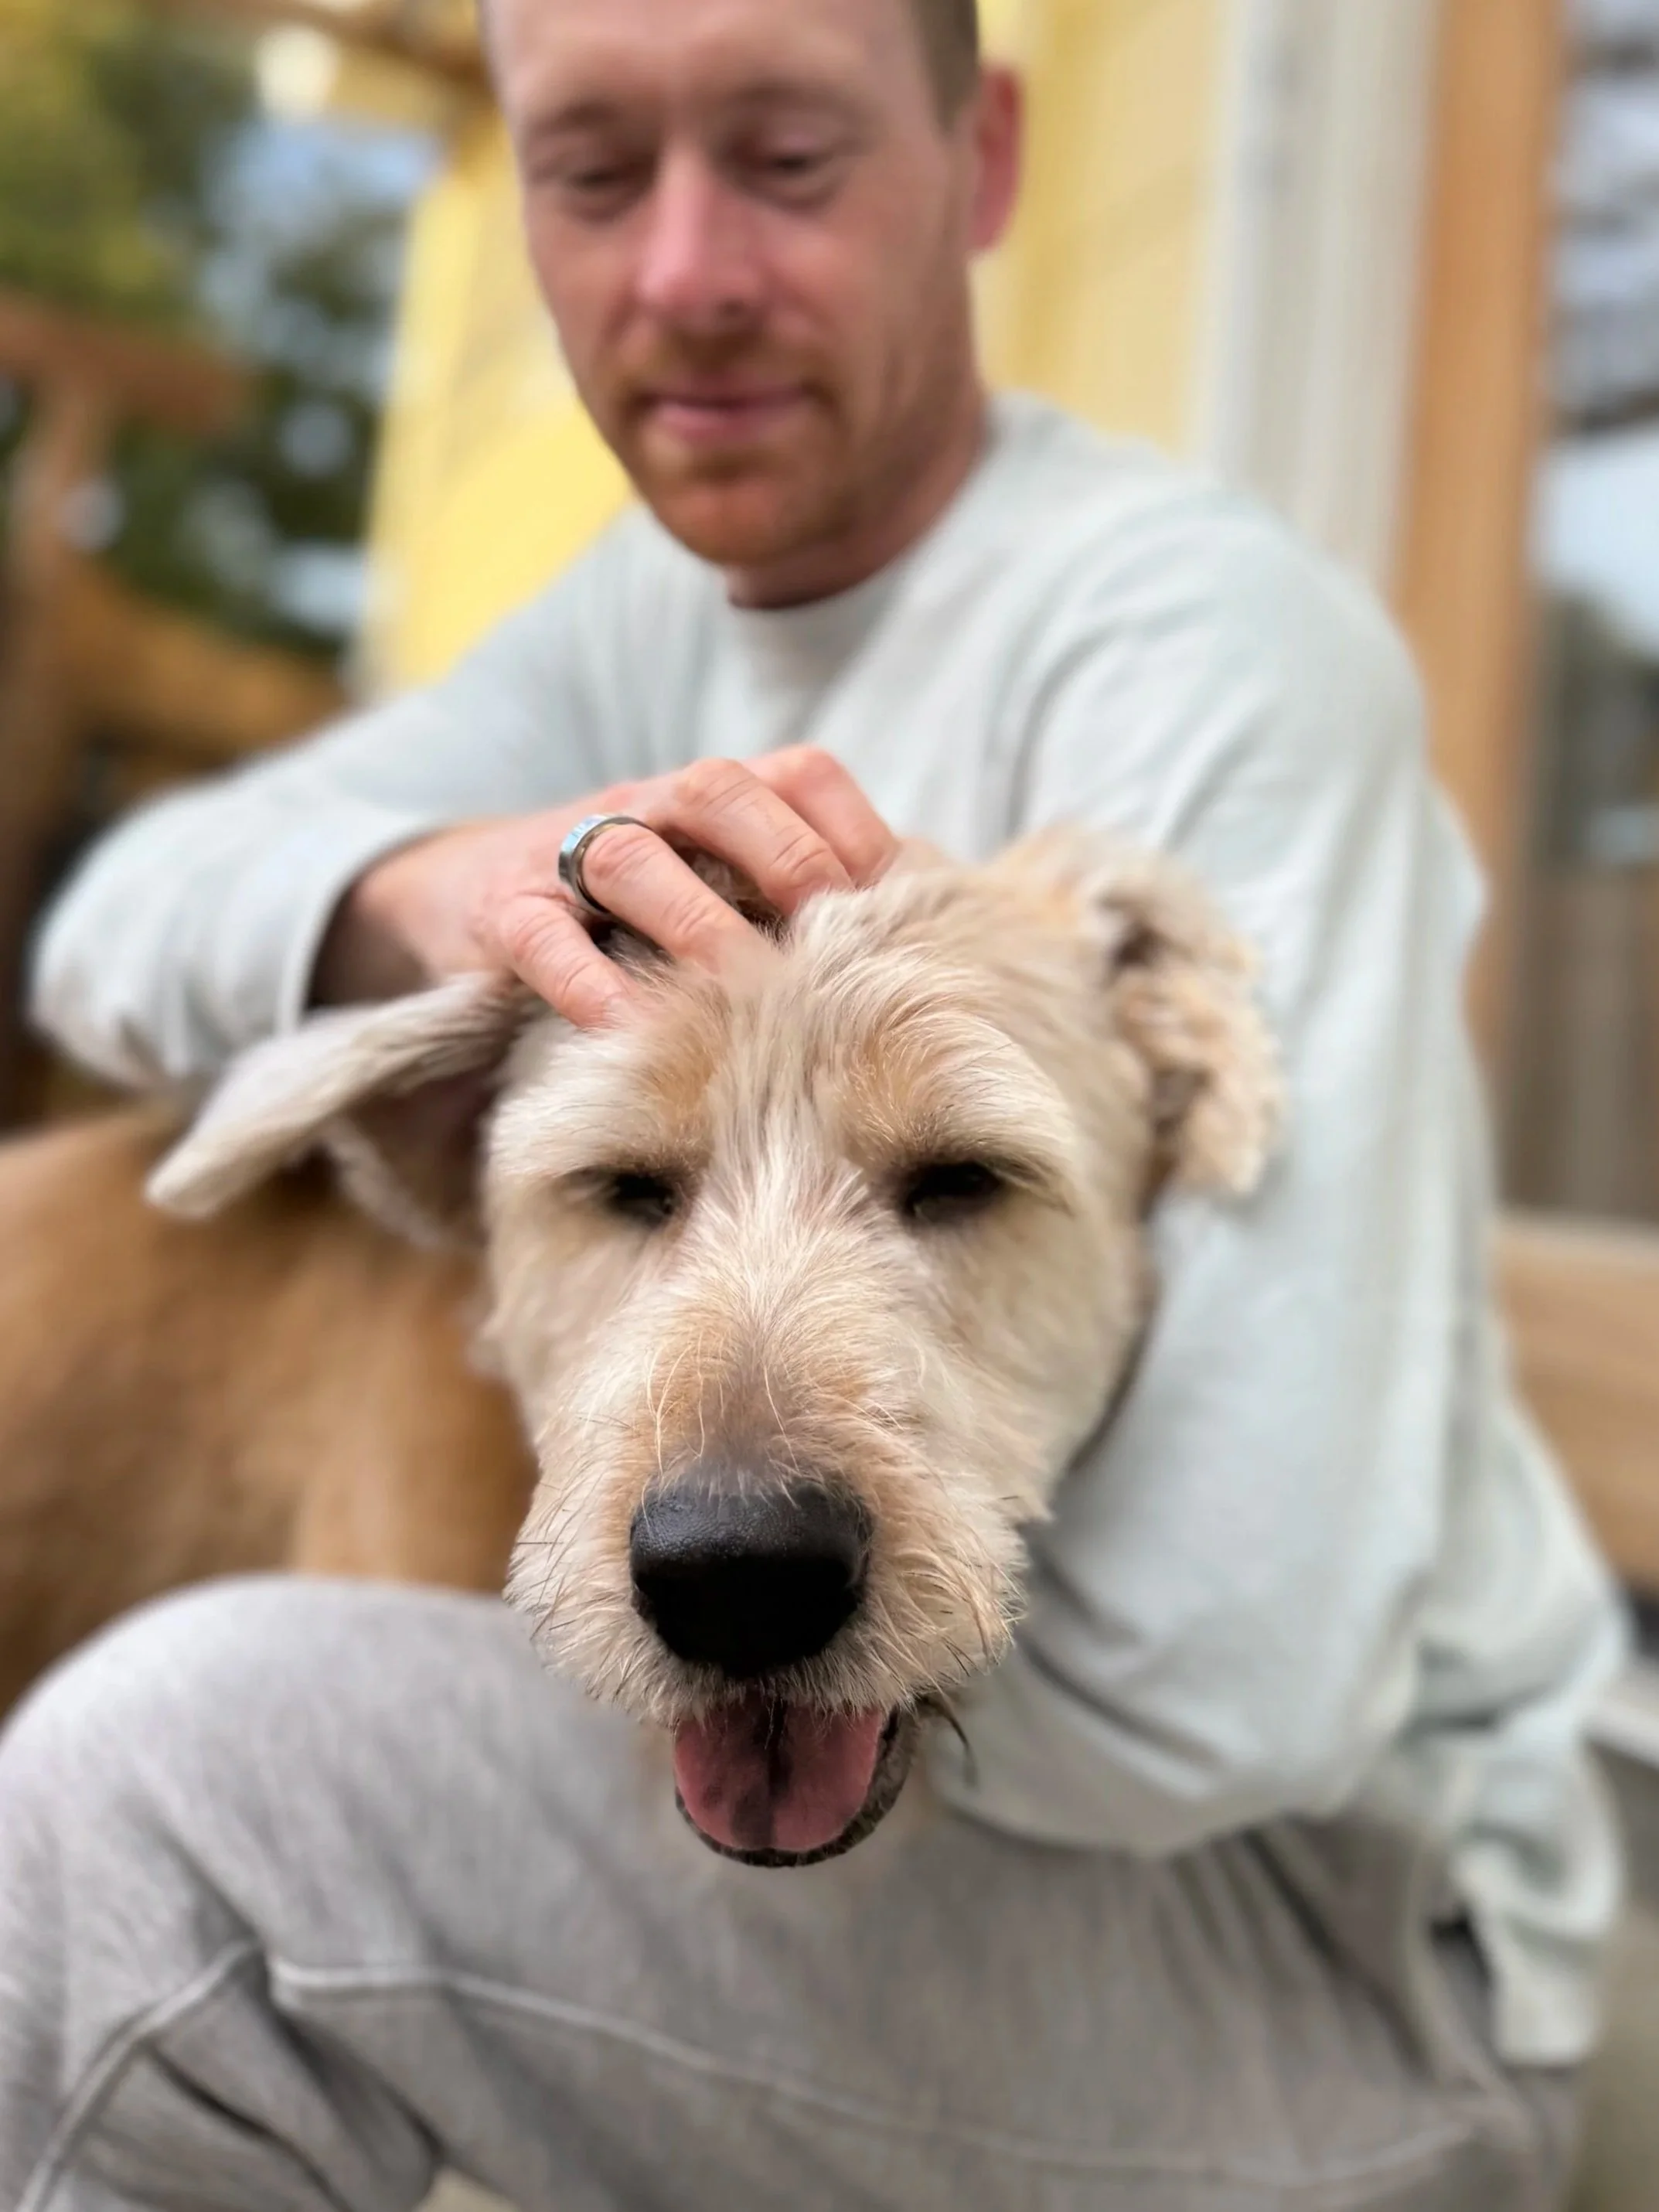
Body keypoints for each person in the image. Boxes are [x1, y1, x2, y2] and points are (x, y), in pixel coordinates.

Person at [0, 0, 1627, 2206]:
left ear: (979, 169)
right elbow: (124, 921)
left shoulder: (1213, 652)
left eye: (785, 156)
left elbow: (1235, 1685)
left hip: (1336, 1942)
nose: (682, 272)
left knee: (169, 1819)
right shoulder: (647, 626)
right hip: (969, 1861)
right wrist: (432, 889)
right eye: (588, 172)